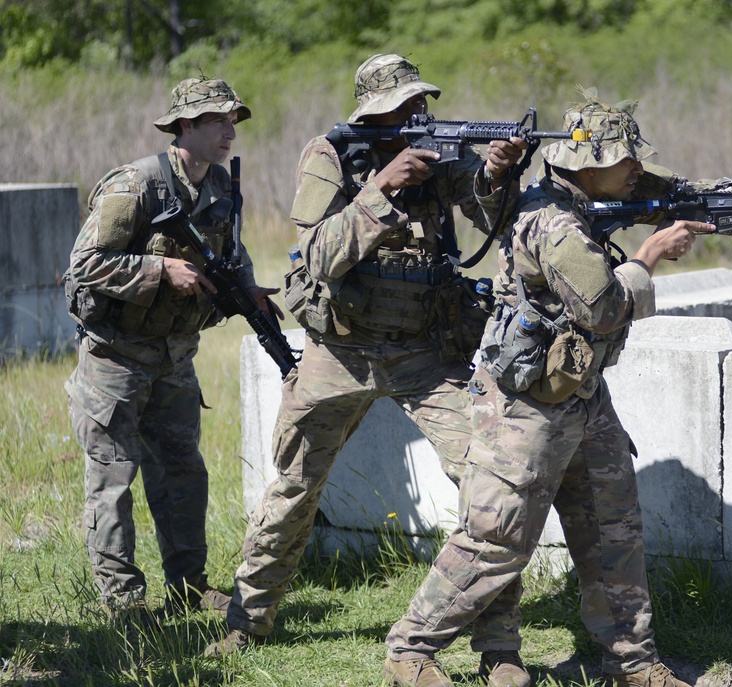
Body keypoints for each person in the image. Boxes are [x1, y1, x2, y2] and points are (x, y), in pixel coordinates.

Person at [382, 91, 732, 687]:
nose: (636, 170)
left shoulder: (596, 193)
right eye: (628, 161)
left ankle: (633, 663)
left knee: (612, 530)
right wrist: (648, 257)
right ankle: (410, 650)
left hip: (581, 394)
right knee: (496, 540)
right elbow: (604, 308)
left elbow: (686, 196)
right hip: (526, 407)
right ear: (591, 164)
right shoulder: (554, 223)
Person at [206, 54, 531, 685]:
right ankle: (248, 621)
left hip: (422, 350)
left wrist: (494, 173)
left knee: (485, 482)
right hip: (341, 350)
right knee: (295, 484)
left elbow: (490, 219)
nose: (417, 115)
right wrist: (380, 188)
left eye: (421, 104)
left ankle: (499, 646)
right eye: (404, 106)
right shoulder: (330, 155)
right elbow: (318, 256)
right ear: (373, 111)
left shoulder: (439, 156)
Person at [64, 76, 280, 623]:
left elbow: (231, 250)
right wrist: (158, 270)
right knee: (113, 477)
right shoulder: (135, 185)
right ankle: (123, 602)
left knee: (183, 472)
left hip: (175, 358)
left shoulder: (221, 187)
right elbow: (82, 266)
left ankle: (188, 586)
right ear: (185, 126)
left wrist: (246, 288)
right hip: (115, 357)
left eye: (233, 121)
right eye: (218, 121)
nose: (231, 131)